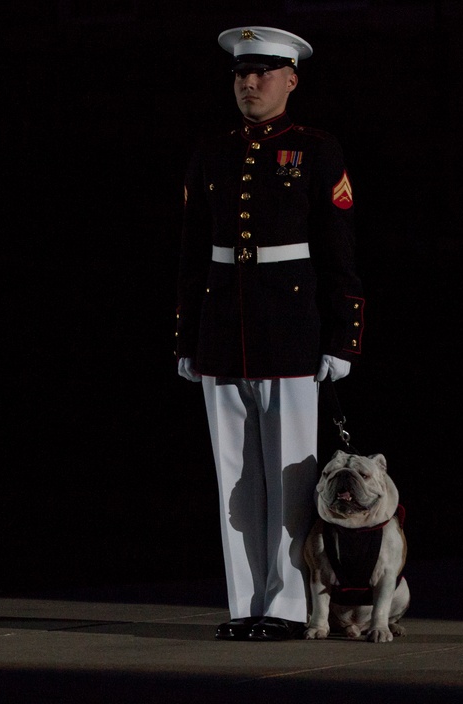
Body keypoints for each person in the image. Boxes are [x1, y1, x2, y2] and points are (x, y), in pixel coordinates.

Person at [175, 26, 365, 642]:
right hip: (222, 328)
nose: (248, 83)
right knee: (233, 474)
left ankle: (286, 606)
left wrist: (343, 337)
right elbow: (191, 252)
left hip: (291, 328)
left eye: (261, 73)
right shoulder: (212, 150)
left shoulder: (316, 149)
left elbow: (339, 251)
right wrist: (186, 338)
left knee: (288, 473)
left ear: (290, 79)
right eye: (240, 74)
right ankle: (244, 602)